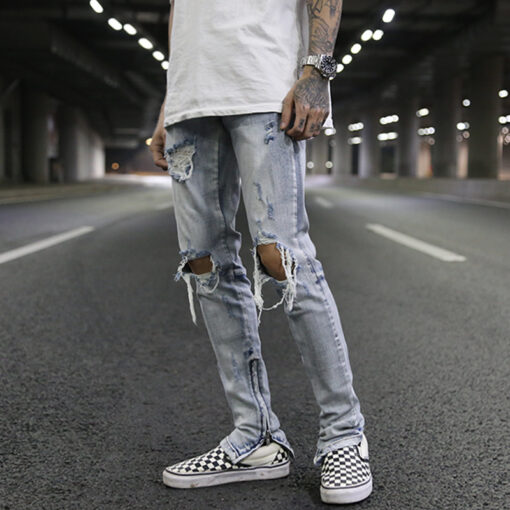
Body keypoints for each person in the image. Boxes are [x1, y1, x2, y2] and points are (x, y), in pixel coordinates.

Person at [149, 0, 372, 505]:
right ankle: (256, 437)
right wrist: (169, 103)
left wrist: (317, 71)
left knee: (282, 257)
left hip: (263, 84)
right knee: (204, 265)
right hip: (190, 99)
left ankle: (344, 434)